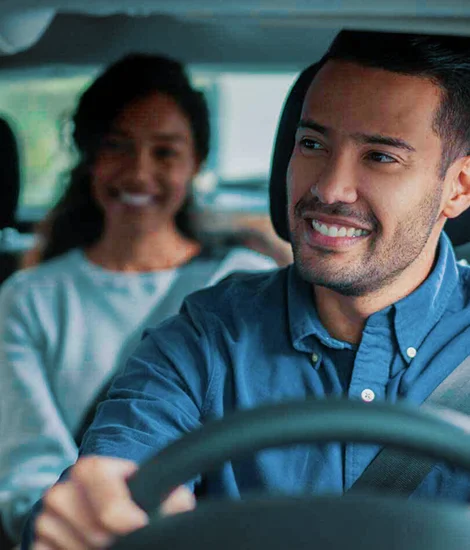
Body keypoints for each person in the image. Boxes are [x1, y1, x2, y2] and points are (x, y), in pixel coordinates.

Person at [25, 29, 470, 549]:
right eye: (312, 144)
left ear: (459, 187)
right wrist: (91, 516)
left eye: (380, 157)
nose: (328, 187)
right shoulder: (206, 337)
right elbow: (117, 474)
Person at [0, 53, 281, 548]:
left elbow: (267, 451)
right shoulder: (30, 298)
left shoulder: (248, 283)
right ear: (89, 156)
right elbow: (28, 463)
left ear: (195, 162)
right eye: (117, 146)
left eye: (165, 152)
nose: (138, 172)